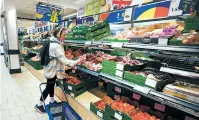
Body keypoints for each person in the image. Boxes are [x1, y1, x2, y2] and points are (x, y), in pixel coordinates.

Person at [34, 28, 79, 113]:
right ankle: (39, 105)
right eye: (64, 35)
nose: (65, 36)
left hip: (50, 68)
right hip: (52, 69)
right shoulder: (56, 46)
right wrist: (76, 61)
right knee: (48, 87)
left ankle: (51, 100)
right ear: (58, 35)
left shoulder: (51, 41)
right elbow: (64, 60)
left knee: (51, 84)